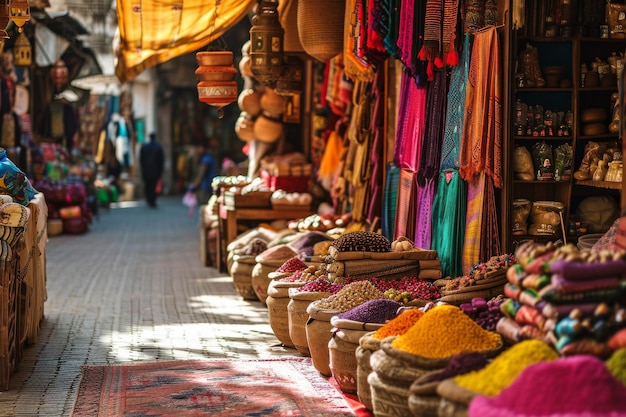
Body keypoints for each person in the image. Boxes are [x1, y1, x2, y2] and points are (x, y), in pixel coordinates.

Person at [189, 140, 218, 206]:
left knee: (205, 205)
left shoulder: (206, 159)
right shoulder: (208, 157)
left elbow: (201, 174)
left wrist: (195, 185)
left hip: (207, 186)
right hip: (209, 185)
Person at [139, 132, 165, 208]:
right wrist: (160, 171)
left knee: (148, 185)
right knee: (153, 186)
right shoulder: (158, 147)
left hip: (146, 170)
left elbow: (141, 160)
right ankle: (152, 200)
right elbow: (161, 160)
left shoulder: (144, 147)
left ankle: (149, 199)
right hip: (155, 171)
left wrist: (143, 169)